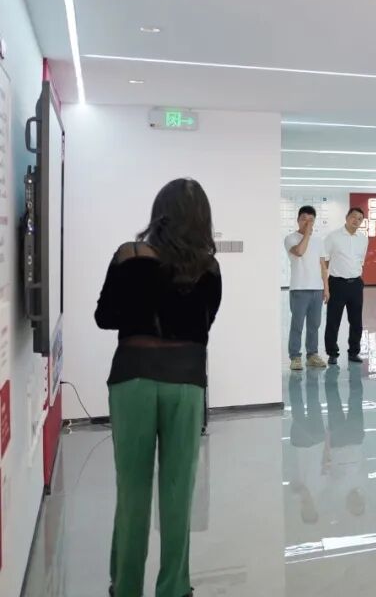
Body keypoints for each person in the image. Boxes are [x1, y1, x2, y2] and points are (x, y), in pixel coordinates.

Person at [94, 178, 222, 597]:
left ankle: (125, 586)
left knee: (131, 490)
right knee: (178, 489)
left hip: (132, 376)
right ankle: (175, 587)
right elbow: (204, 323)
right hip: (186, 381)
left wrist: (140, 310)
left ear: (159, 212)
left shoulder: (128, 255)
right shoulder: (208, 267)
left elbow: (104, 317)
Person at [322, 207, 370, 365]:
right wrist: (325, 285)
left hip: (356, 284)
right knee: (333, 320)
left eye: (360, 219)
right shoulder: (333, 236)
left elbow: (361, 260)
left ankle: (354, 352)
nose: (356, 220)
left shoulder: (363, 239)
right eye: (354, 217)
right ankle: (332, 353)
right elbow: (324, 261)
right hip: (337, 283)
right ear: (347, 217)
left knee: (356, 321)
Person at [284, 205, 328, 371]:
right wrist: (307, 234)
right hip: (299, 289)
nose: (308, 223)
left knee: (314, 325)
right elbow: (300, 252)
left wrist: (326, 288)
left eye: (311, 220)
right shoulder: (290, 238)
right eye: (304, 219)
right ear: (298, 220)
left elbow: (323, 266)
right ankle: (295, 357)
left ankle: (312, 355)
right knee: (297, 325)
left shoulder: (319, 241)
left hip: (317, 289)